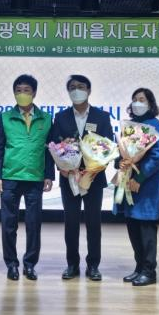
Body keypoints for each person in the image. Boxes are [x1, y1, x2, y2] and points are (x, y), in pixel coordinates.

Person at [49, 75, 114, 281]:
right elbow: (54, 144)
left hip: (93, 178)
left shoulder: (102, 116)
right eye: (72, 87)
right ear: (68, 92)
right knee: (71, 223)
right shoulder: (61, 117)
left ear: (89, 90)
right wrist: (62, 166)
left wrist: (95, 169)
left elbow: (109, 145)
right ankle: (72, 264)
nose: (76, 90)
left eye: (81, 86)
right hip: (69, 177)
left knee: (94, 223)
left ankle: (93, 265)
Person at [0, 74, 54, 281]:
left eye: (26, 90)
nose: (22, 94)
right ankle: (11, 264)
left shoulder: (46, 118)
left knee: (34, 224)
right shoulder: (5, 117)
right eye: (18, 90)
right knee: (8, 224)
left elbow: (50, 150)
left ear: (34, 93)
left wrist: (49, 175)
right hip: (10, 177)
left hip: (35, 178)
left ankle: (30, 264)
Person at [113, 88, 159, 287]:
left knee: (146, 227)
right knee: (133, 226)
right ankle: (139, 267)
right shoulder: (128, 126)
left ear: (150, 104)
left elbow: (158, 156)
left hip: (146, 183)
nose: (137, 103)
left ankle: (149, 271)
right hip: (127, 180)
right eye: (134, 99)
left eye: (142, 99)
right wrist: (120, 162)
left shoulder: (156, 125)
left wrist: (140, 177)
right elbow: (121, 151)